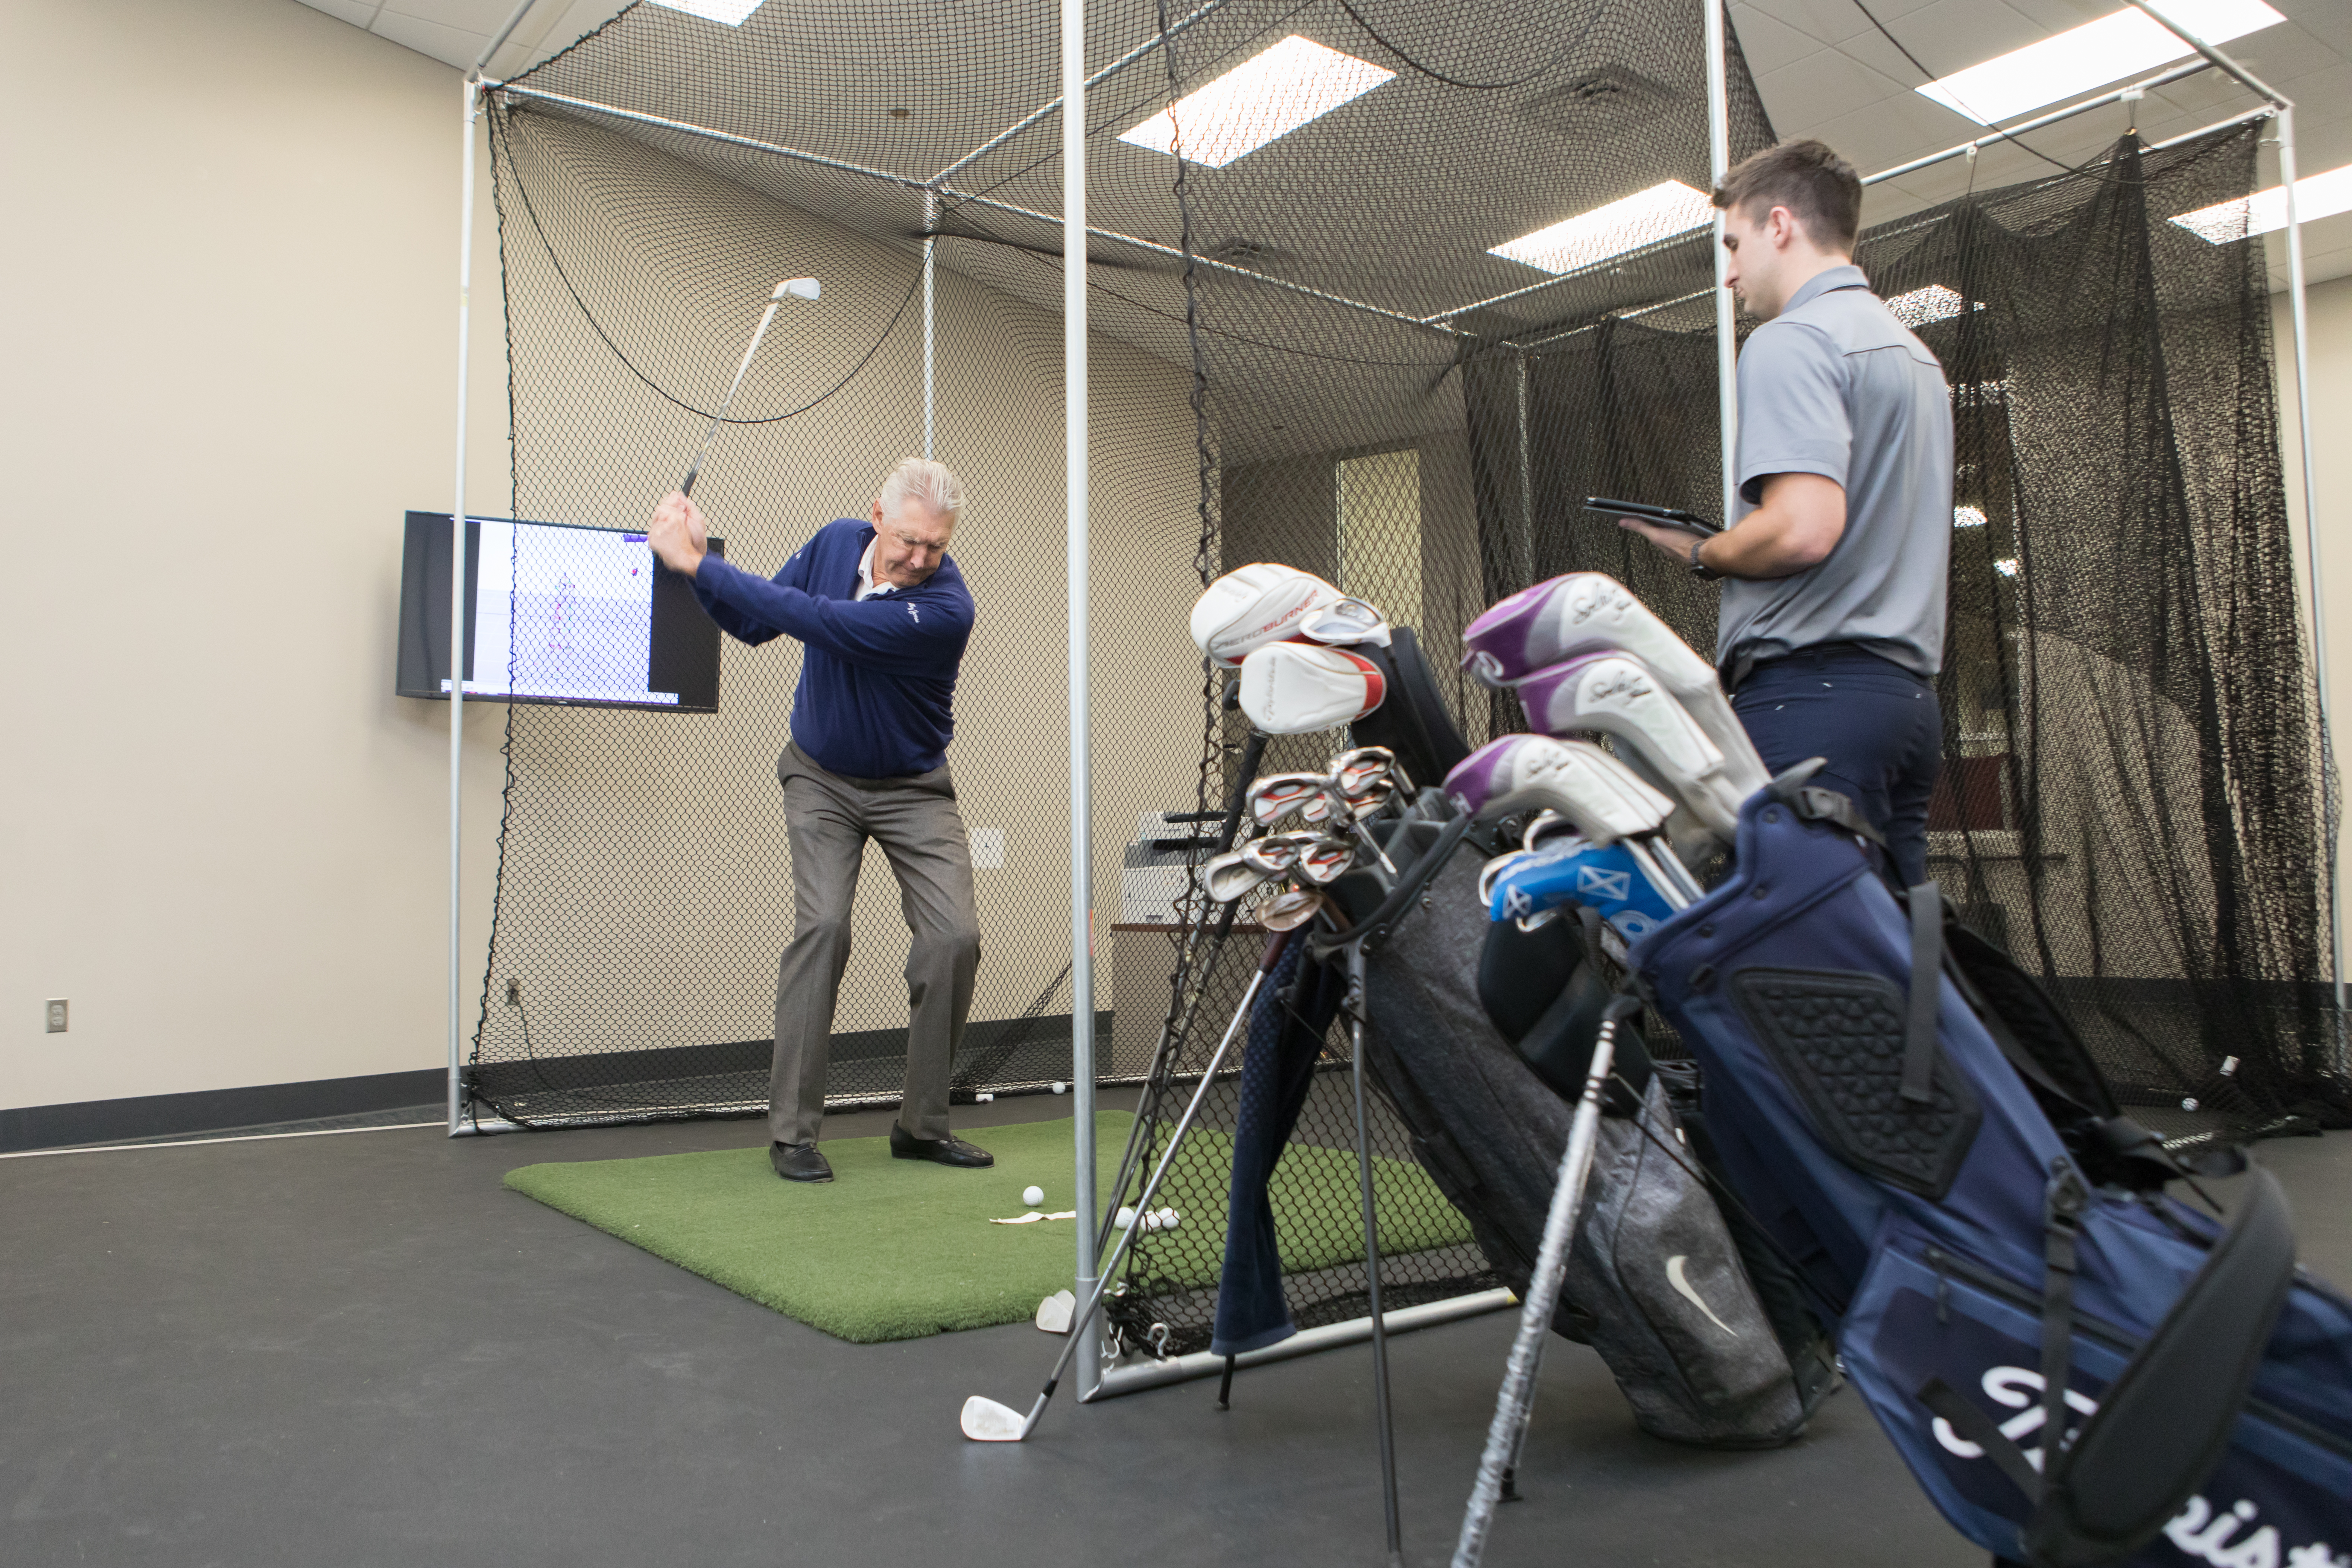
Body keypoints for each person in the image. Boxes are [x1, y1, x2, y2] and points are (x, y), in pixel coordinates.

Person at [1617, 138, 1953, 889]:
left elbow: (1803, 529)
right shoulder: (1913, 356)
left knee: (1798, 972)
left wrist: (1709, 553)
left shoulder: (1791, 340)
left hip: (1813, 703)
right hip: (1905, 706)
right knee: (1887, 964)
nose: (1729, 270)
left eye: (1732, 244)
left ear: (1779, 226)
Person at [646, 457, 992, 1183]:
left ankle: (922, 1125)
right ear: (875, 514)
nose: (919, 558)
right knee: (825, 926)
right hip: (820, 777)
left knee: (954, 937)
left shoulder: (945, 608)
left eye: (936, 545)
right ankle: (793, 1132)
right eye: (906, 540)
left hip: (915, 789)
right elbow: (753, 620)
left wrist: (700, 564)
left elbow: (825, 622)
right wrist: (694, 562)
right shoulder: (836, 542)